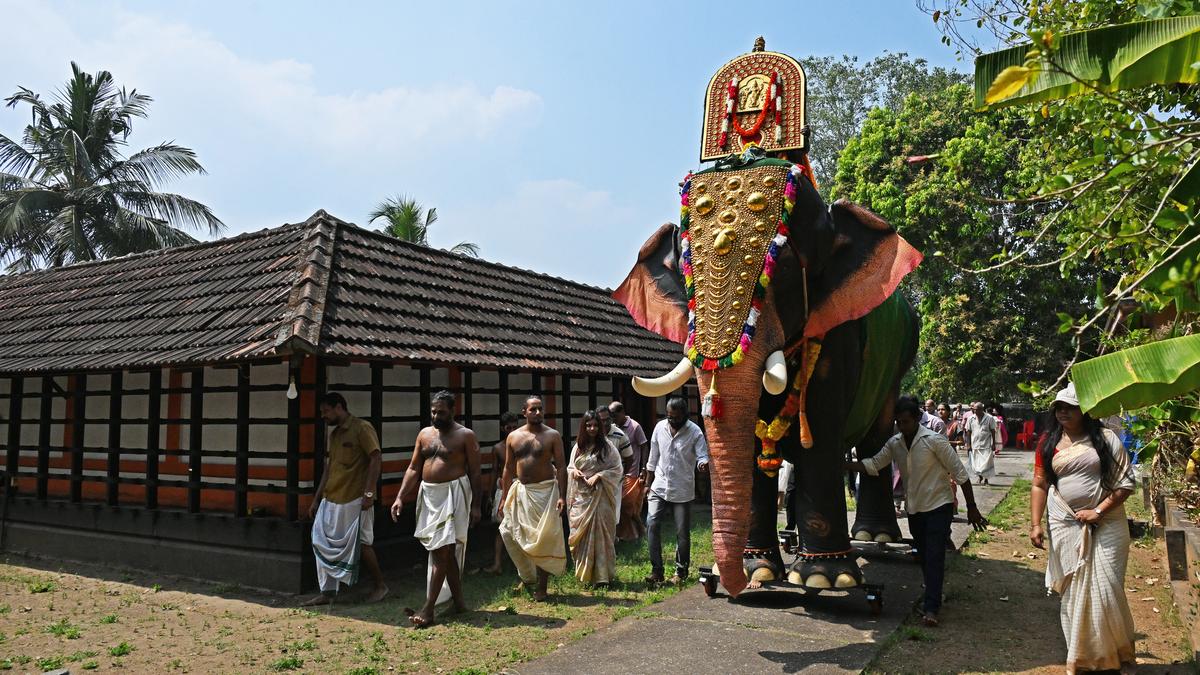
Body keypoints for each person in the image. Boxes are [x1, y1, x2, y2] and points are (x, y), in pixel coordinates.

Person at [848, 396, 987, 627]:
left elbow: (961, 475)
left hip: (938, 507)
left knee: (934, 555)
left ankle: (932, 607)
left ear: (916, 419)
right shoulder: (895, 443)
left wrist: (971, 508)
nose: (902, 427)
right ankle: (934, 591)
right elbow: (873, 464)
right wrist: (841, 465)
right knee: (924, 555)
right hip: (915, 509)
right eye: (898, 423)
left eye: (906, 422)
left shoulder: (935, 441)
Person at [1030, 383, 1136, 674]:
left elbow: (1125, 484)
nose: (1063, 412)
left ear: (1085, 410)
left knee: (1108, 587)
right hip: (1064, 522)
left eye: (1070, 406)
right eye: (1058, 407)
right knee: (1074, 589)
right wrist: (1035, 524)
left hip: (1108, 522)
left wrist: (1098, 511)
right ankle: (1082, 658)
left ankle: (1116, 655)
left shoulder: (1105, 439)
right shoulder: (1048, 443)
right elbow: (1039, 484)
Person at [390, 390, 481, 628]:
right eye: (433, 411)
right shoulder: (424, 434)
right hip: (429, 495)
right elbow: (413, 468)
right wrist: (400, 496)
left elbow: (475, 472)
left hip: (454, 495)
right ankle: (459, 603)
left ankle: (428, 609)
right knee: (445, 552)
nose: (435, 415)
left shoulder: (465, 436)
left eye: (441, 411)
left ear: (453, 410)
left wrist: (477, 506)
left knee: (442, 551)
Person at [304, 393, 389, 606]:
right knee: (321, 541)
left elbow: (376, 457)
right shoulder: (333, 436)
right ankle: (328, 592)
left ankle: (380, 586)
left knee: (362, 542)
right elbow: (328, 468)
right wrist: (316, 499)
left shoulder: (362, 428)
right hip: (331, 497)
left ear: (339, 407)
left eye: (326, 411)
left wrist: (369, 493)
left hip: (355, 498)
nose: (323, 416)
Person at [498, 396, 568, 601]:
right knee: (508, 532)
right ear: (524, 412)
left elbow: (562, 466)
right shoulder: (514, 437)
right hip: (520, 491)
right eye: (533, 409)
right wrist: (503, 498)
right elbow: (508, 468)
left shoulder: (552, 436)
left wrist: (563, 496)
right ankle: (528, 576)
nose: (537, 413)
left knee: (542, 538)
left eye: (540, 409)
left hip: (545, 492)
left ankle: (542, 586)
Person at [643, 396, 709, 586]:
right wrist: (648, 483)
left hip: (682, 489)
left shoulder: (694, 432)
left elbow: (702, 456)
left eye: (676, 417)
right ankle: (657, 571)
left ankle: (681, 571)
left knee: (682, 532)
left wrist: (703, 464)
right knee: (652, 523)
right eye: (669, 417)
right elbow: (652, 458)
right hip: (659, 485)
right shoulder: (659, 427)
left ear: (684, 416)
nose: (672, 421)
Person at [566, 410, 623, 586]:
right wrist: (574, 472)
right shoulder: (578, 447)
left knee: (602, 537)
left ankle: (602, 577)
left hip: (601, 499)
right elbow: (569, 468)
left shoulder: (607, 447)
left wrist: (600, 476)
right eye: (589, 425)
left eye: (595, 425)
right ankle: (585, 576)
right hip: (581, 499)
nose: (592, 428)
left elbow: (617, 469)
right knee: (580, 536)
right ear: (584, 427)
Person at [482, 411, 521, 575]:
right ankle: (497, 564)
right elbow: (494, 471)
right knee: (501, 528)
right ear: (502, 428)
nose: (512, 430)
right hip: (503, 488)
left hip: (520, 487)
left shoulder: (523, 444)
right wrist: (490, 494)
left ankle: (523, 566)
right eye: (508, 427)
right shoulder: (498, 448)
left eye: (514, 427)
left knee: (522, 526)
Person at [609, 401, 650, 541]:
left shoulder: (635, 426)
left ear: (622, 413)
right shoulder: (613, 428)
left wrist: (644, 468)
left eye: (614, 415)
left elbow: (644, 446)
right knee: (619, 506)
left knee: (628, 506)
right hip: (617, 473)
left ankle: (641, 530)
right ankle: (628, 534)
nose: (612, 419)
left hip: (631, 472)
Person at [964, 401, 1001, 485]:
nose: (975, 411)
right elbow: (968, 432)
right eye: (974, 410)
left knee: (986, 464)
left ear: (982, 409)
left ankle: (986, 479)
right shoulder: (971, 419)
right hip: (975, 445)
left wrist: (993, 443)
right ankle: (980, 477)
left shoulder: (989, 418)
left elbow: (993, 431)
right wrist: (968, 444)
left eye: (977, 410)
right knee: (976, 464)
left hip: (986, 445)